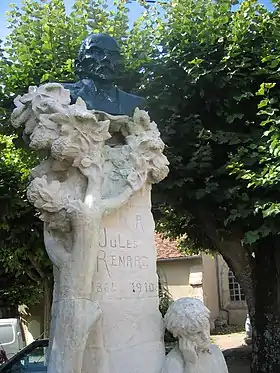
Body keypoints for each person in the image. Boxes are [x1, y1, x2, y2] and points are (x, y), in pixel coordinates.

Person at [63, 33, 144, 116]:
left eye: (113, 54)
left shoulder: (134, 103)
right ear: (78, 65)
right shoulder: (62, 92)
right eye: (96, 52)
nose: (106, 58)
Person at [162, 297, 228, 373]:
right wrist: (190, 364)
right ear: (181, 336)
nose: (205, 336)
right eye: (197, 333)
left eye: (206, 327)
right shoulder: (172, 362)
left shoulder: (215, 351)